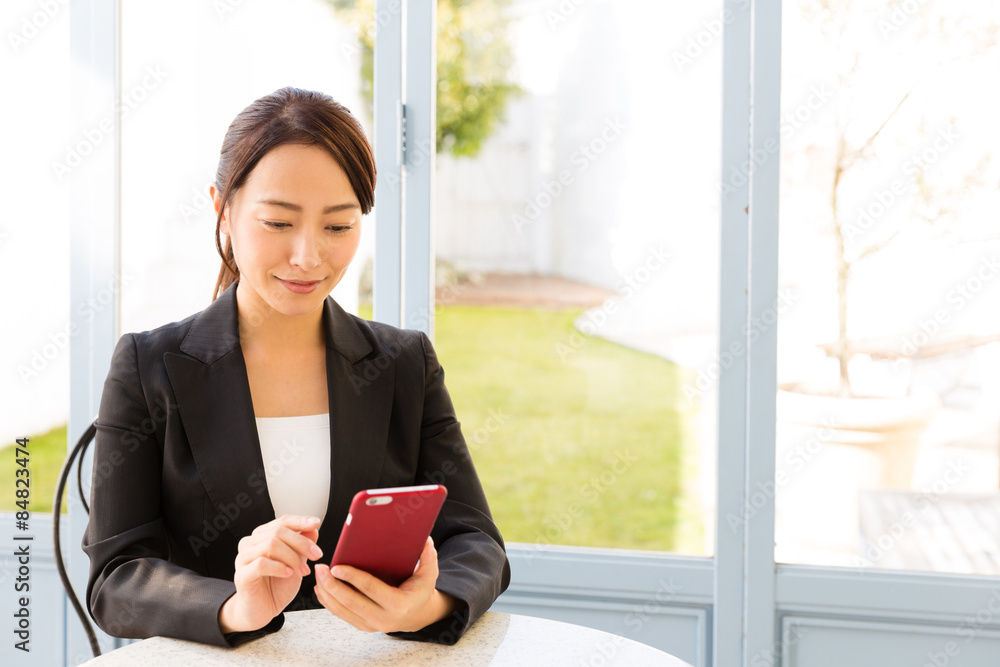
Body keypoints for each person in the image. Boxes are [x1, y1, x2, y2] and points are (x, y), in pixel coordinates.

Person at [82, 86, 510, 648]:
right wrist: (235, 606)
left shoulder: (404, 363)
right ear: (222, 209)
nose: (308, 257)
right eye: (279, 223)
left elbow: (476, 539)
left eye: (338, 226)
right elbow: (115, 577)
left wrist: (427, 604)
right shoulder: (149, 365)